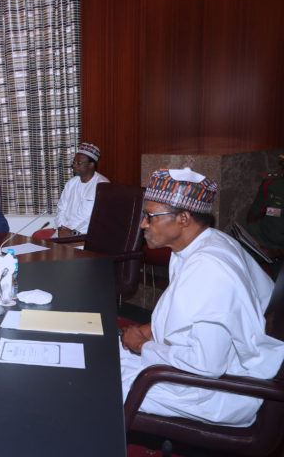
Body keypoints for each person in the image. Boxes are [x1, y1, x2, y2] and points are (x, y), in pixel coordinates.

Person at [120, 167, 284, 427]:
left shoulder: (210, 268)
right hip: (201, 369)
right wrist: (149, 330)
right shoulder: (204, 242)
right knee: (106, 357)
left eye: (150, 217)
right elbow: (191, 312)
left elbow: (207, 366)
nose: (143, 224)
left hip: (212, 390)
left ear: (183, 218)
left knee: (97, 382)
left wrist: (142, 346)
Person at [53, 142, 110, 237]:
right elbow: (61, 209)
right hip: (63, 233)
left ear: (91, 165)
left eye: (79, 163)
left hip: (85, 237)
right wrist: (60, 228)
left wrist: (74, 233)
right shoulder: (71, 183)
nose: (74, 166)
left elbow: (99, 220)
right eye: (74, 162)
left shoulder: (103, 186)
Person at [243, 154, 284, 259]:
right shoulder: (272, 183)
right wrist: (254, 244)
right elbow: (254, 214)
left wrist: (276, 253)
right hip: (264, 241)